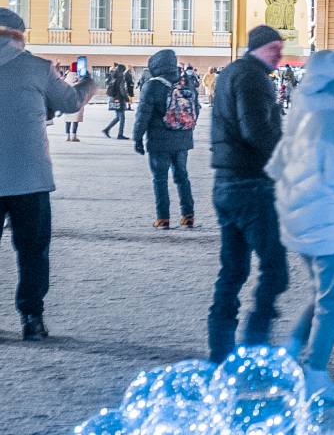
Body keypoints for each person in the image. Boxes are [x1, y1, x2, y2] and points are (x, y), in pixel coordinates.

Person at [265, 51, 334, 393]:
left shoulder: (303, 112)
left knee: (321, 293)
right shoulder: (332, 119)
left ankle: (293, 349)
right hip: (330, 220)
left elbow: (277, 165)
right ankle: (315, 372)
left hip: (302, 218)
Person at [0, 7, 97, 340]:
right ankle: (31, 318)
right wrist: (88, 84)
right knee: (32, 251)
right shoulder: (37, 67)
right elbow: (70, 103)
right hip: (29, 178)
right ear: (20, 36)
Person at [206, 25, 288, 362]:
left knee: (233, 269)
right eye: (274, 49)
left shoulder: (231, 73)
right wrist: (284, 159)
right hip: (250, 183)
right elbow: (255, 130)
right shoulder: (253, 78)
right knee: (275, 268)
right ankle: (255, 340)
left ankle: (220, 347)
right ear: (259, 48)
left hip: (226, 182)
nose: (280, 55)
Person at [132, 48, 198, 229]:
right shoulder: (186, 83)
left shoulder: (152, 86)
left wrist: (137, 138)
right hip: (183, 139)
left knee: (160, 179)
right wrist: (185, 129)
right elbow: (196, 109)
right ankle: (188, 215)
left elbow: (143, 115)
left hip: (159, 141)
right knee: (182, 176)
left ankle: (163, 218)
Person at [102, 62, 133, 139]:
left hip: (112, 98)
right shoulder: (121, 77)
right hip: (119, 98)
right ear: (122, 70)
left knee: (118, 117)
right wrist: (127, 98)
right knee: (122, 117)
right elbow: (122, 89)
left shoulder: (112, 76)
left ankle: (107, 129)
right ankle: (120, 134)